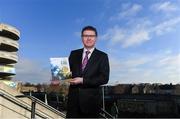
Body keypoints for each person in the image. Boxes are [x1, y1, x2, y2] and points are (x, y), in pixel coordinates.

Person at [66, 25, 110, 118]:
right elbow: (67, 73)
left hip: (91, 105)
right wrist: (58, 79)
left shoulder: (102, 56)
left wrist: (83, 80)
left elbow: (104, 78)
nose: (88, 38)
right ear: (82, 38)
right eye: (85, 36)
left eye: (92, 36)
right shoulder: (73, 54)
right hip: (73, 104)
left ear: (96, 38)